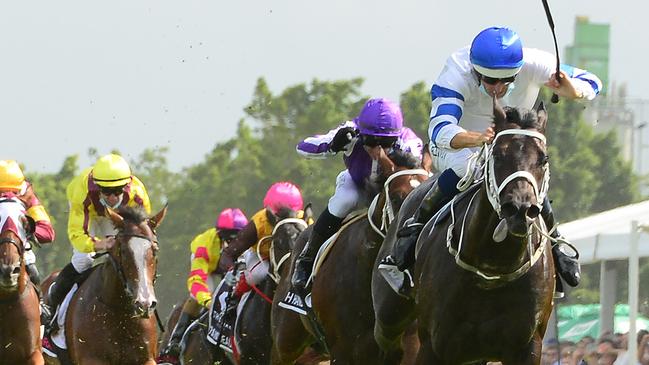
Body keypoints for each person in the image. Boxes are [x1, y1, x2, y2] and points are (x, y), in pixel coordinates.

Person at [378, 26, 603, 296]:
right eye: (489, 80)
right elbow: (440, 130)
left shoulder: (534, 62)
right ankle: (413, 229)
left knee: (527, 173)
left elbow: (593, 82)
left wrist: (572, 89)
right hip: (457, 144)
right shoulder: (456, 73)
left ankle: (555, 241)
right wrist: (476, 138)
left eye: (506, 80)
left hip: (510, 144)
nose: (498, 88)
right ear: (475, 70)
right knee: (471, 167)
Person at [290, 98, 424, 295]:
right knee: (343, 202)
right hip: (358, 184)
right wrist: (334, 144)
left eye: (386, 142)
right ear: (361, 133)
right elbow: (302, 147)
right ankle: (307, 259)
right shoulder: (351, 130)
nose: (377, 149)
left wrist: (392, 155)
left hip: (390, 189)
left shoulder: (409, 140)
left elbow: (415, 167)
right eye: (371, 141)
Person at [42, 153, 151, 332]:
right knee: (83, 260)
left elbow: (142, 234)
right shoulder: (82, 193)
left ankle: (142, 303)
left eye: (118, 191)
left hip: (116, 216)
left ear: (127, 185)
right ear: (97, 186)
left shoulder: (138, 195)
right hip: (88, 214)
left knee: (132, 257)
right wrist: (100, 244)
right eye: (107, 192)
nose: (113, 198)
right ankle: (51, 308)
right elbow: (77, 235)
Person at [156, 208, 248, 365]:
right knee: (203, 293)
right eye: (229, 240)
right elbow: (196, 281)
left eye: (237, 239)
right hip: (210, 269)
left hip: (232, 268)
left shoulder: (248, 243)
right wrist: (208, 301)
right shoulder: (204, 244)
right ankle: (174, 344)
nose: (234, 245)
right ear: (220, 235)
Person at [216, 182, 308, 296]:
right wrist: (231, 271)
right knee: (259, 273)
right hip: (263, 256)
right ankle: (236, 296)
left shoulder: (303, 221)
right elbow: (228, 253)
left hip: (290, 257)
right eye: (279, 215)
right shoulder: (259, 223)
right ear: (269, 211)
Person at [0, 160, 56, 284]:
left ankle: (41, 303)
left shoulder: (28, 195)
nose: (9, 196)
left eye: (14, 192)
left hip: (18, 247)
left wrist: (29, 229)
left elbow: (48, 232)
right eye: (2, 193)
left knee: (33, 273)